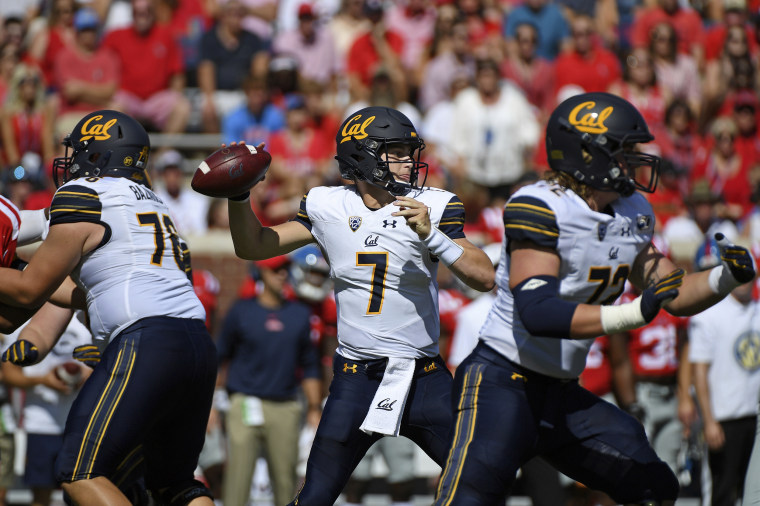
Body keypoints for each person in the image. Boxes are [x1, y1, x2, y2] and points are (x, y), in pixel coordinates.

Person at [434, 92, 757, 505]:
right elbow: (538, 311)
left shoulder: (631, 211)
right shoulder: (540, 205)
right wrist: (632, 313)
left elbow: (670, 291)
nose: (635, 160)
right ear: (587, 154)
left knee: (653, 486)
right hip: (502, 380)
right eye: (623, 151)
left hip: (563, 390)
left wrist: (725, 277)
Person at [225, 105, 495, 505]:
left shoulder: (432, 205)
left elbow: (484, 276)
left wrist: (432, 236)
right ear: (364, 155)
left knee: (482, 481)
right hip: (356, 378)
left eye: (408, 151)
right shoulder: (328, 204)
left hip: (423, 376)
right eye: (397, 152)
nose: (408, 161)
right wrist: (239, 196)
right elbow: (254, 246)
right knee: (314, 496)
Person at [0, 109, 216, 506]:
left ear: (98, 157)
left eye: (79, 152)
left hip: (146, 342)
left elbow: (30, 290)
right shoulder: (153, 204)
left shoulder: (84, 195)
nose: (70, 161)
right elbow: (81, 293)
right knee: (175, 484)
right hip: (197, 345)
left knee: (80, 471)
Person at [216, 254, 322, 506]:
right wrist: (210, 404)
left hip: (285, 406)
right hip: (244, 403)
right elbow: (219, 357)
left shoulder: (299, 314)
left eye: (285, 269)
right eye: (275, 270)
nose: (282, 275)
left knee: (285, 481)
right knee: (237, 479)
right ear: (260, 273)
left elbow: (309, 366)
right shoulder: (241, 310)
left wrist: (315, 408)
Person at [690, 241, 760, 506]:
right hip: (724, 418)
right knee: (720, 493)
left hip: (754, 417)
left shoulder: (757, 310)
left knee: (751, 494)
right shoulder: (709, 315)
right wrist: (709, 420)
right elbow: (699, 371)